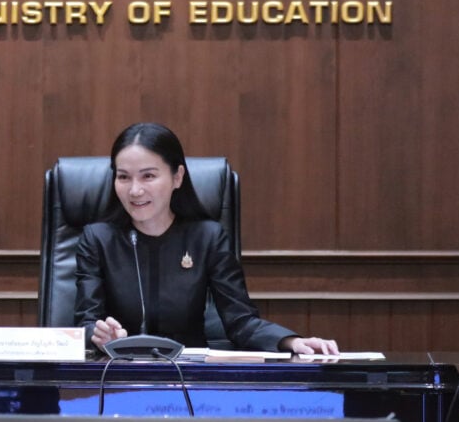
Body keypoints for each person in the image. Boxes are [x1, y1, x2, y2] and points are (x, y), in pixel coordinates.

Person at [74, 124, 338, 356]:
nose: (135, 190)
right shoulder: (98, 239)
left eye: (148, 176)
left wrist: (292, 341)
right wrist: (100, 335)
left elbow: (241, 321)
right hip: (117, 375)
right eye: (123, 177)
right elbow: (85, 323)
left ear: (177, 177)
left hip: (190, 377)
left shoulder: (207, 238)